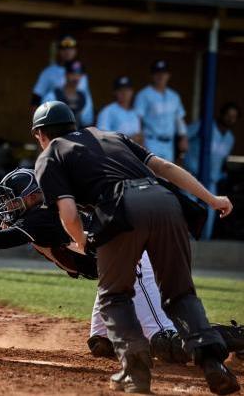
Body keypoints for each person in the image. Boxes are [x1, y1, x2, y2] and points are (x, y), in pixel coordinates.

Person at [0, 168, 244, 363]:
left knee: (166, 345)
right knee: (101, 344)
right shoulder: (46, 220)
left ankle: (232, 339)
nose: (9, 209)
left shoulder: (44, 214)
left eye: (14, 202)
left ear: (32, 197)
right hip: (113, 274)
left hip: (136, 264)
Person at [32, 101, 239, 394]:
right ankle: (214, 364)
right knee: (180, 294)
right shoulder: (112, 136)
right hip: (166, 203)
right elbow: (165, 168)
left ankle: (136, 373)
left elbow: (68, 213)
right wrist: (211, 199)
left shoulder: (50, 154)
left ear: (40, 134)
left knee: (114, 296)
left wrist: (81, 241)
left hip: (122, 208)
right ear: (72, 125)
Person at [185, 102, 238, 239]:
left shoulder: (230, 138)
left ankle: (203, 246)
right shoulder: (204, 124)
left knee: (209, 214)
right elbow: (183, 136)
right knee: (189, 209)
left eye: (233, 117)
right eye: (228, 115)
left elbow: (222, 161)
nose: (230, 119)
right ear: (221, 114)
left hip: (211, 181)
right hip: (192, 175)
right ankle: (185, 243)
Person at [134, 60, 188, 163]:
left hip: (169, 143)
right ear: (152, 75)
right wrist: (140, 140)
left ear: (168, 75)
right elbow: (137, 118)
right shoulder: (144, 94)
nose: (160, 76)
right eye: (157, 73)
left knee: (166, 176)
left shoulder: (174, 96)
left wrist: (183, 136)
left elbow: (179, 118)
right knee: (151, 174)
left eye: (163, 73)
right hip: (150, 141)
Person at [30, 35, 91, 115]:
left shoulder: (81, 73)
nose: (67, 52)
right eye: (64, 49)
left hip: (76, 120)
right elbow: (36, 99)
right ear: (59, 51)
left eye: (71, 48)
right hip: (53, 118)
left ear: (76, 50)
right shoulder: (49, 72)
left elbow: (87, 101)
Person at [43, 60, 93, 127]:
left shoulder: (84, 97)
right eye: (72, 74)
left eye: (79, 75)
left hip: (78, 136)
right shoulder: (52, 96)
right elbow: (44, 123)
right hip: (56, 135)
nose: (76, 77)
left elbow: (87, 121)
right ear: (66, 74)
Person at [97, 76, 143, 144]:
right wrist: (129, 139)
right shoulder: (107, 111)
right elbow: (102, 138)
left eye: (127, 90)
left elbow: (139, 136)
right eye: (120, 90)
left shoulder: (135, 112)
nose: (124, 93)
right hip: (116, 153)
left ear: (132, 92)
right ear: (114, 92)